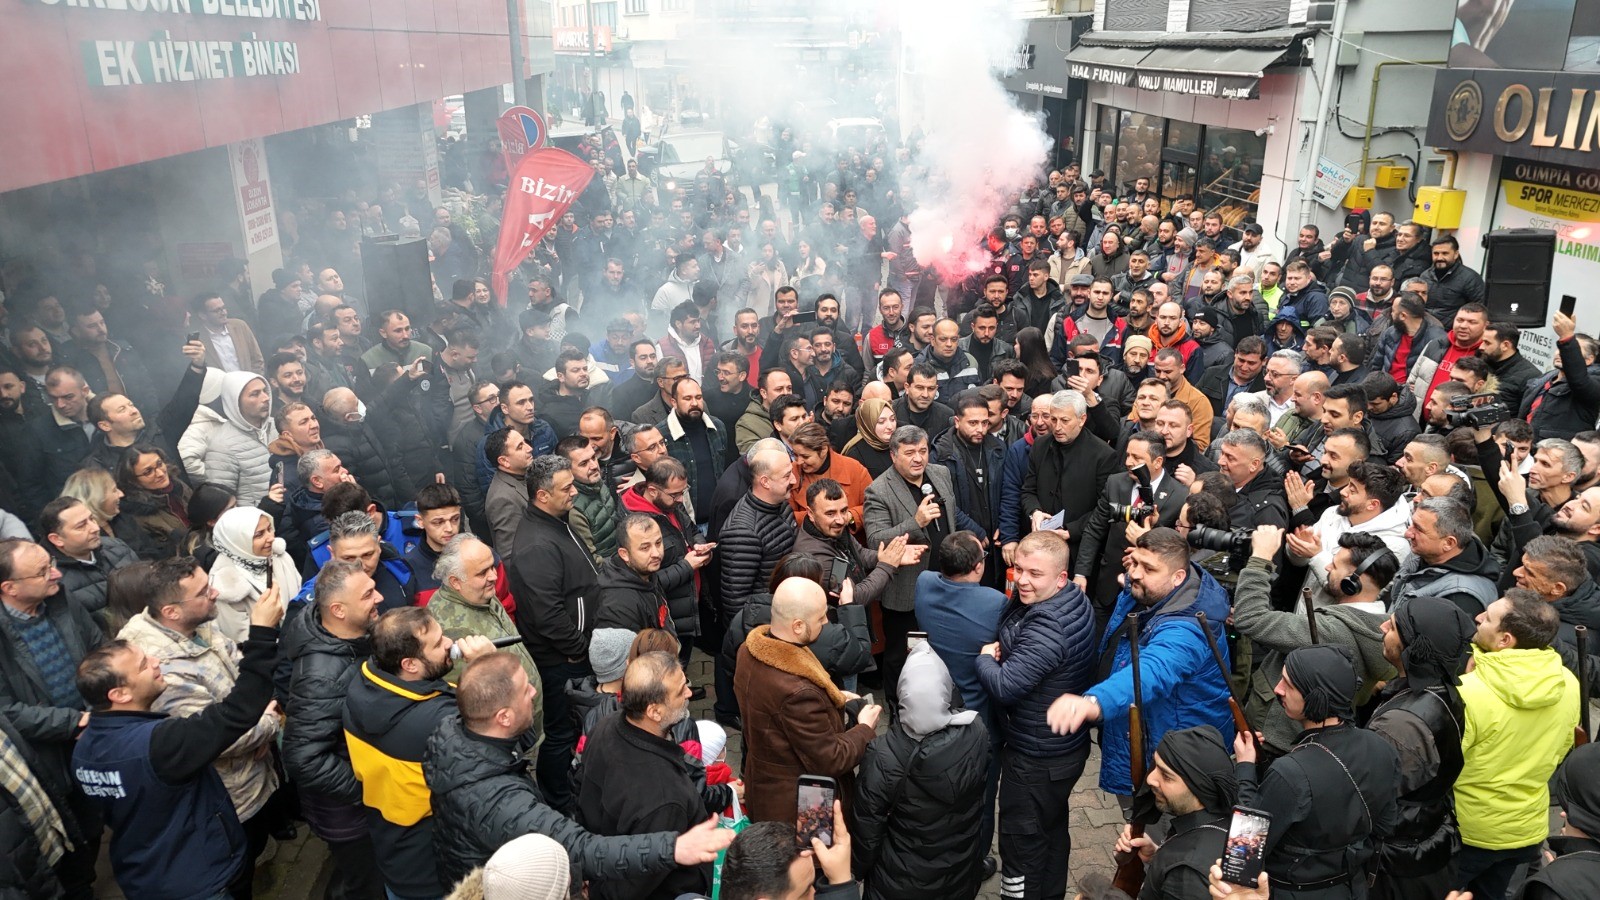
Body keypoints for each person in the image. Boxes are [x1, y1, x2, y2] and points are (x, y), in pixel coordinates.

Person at [423, 651, 729, 891]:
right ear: (502, 717)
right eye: (524, 690)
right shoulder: (498, 802)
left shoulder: (456, 732)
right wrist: (674, 847)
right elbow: (582, 850)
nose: (534, 691)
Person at [71, 578, 283, 900]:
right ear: (119, 693)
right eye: (144, 666)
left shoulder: (83, 751)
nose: (157, 662)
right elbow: (237, 713)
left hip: (146, 875)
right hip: (203, 880)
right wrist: (264, 633)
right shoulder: (159, 744)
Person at [974, 531, 1095, 900]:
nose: (1022, 580)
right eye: (1019, 569)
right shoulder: (1072, 598)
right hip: (1062, 750)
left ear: (1060, 577)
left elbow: (1006, 686)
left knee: (1020, 844)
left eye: (1035, 574)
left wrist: (983, 658)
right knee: (1051, 830)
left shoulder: (1047, 626)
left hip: (1036, 758)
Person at [344, 607, 496, 900]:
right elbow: (511, 733)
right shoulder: (437, 722)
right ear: (410, 665)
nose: (450, 644)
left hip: (394, 854)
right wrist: (487, 668)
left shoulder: (360, 686)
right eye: (438, 644)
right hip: (438, 869)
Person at [1231, 645, 1402, 900]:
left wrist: (1245, 767)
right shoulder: (1382, 748)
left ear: (1315, 697)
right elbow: (1386, 824)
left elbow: (1243, 852)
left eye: (1288, 684)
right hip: (1352, 888)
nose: (1277, 689)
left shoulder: (1290, 773)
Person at [1454, 589, 1580, 899]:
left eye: (1488, 617)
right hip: (1526, 828)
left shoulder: (1468, 691)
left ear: (1504, 640)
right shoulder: (1568, 683)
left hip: (1468, 831)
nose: (1478, 617)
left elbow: (1446, 765)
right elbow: (1563, 747)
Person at [0, 538, 105, 898]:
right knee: (65, 838)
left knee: (92, 826)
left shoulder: (60, 599)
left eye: (51, 563)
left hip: (90, 735)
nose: (56, 573)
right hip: (42, 757)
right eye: (42, 571)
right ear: (9, 588)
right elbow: (5, 710)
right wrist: (74, 722)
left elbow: (98, 651)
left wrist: (98, 711)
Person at [1234, 526, 1398, 755]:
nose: (1327, 567)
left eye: (1335, 564)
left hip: (1274, 742)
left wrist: (1260, 557)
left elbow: (1250, 618)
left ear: (1353, 582)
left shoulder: (1332, 631)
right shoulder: (1376, 627)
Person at [574, 651, 724, 899]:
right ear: (654, 711)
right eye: (680, 690)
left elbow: (583, 798)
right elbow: (636, 883)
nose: (689, 692)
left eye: (685, 682)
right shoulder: (665, 798)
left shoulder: (605, 726)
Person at [734, 576, 882, 824]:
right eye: (821, 618)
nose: (826, 623)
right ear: (798, 626)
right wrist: (865, 728)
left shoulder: (748, 652)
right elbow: (831, 759)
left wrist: (832, 698)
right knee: (813, 859)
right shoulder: (798, 693)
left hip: (763, 785)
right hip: (803, 805)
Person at [280, 559, 385, 900]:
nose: (380, 597)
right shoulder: (321, 674)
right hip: (349, 816)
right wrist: (367, 788)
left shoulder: (351, 640)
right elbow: (303, 757)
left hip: (359, 809)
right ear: (338, 610)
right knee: (365, 885)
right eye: (368, 594)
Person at [853, 644, 990, 900]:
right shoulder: (976, 731)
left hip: (898, 883)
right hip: (958, 873)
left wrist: (855, 871)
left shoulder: (883, 755)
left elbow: (867, 830)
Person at [1366, 596, 1476, 900]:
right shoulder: (1444, 689)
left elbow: (1371, 795)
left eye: (1395, 626)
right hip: (1428, 837)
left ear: (1413, 647)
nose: (1382, 626)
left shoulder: (1401, 725)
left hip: (1398, 862)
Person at [509, 454, 600, 813]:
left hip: (572, 653)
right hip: (561, 660)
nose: (575, 492)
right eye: (567, 488)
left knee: (572, 728)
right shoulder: (536, 545)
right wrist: (577, 648)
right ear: (542, 496)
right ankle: (558, 799)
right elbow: (546, 614)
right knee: (560, 732)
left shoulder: (555, 521)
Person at [864, 425, 979, 707]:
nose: (918, 458)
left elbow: (952, 518)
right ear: (893, 456)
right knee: (900, 653)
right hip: (907, 588)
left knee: (941, 645)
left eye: (923, 451)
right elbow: (876, 540)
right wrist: (915, 522)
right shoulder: (878, 490)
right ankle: (895, 704)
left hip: (947, 580)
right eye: (910, 452)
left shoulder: (940, 474)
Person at [1073, 429, 1189, 631]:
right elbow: (1094, 530)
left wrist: (1148, 536)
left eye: (1137, 457)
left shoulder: (1179, 496)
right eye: (1127, 455)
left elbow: (1177, 546)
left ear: (1158, 462)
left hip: (1147, 594)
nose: (1128, 462)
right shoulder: (1115, 483)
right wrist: (1081, 573)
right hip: (1108, 589)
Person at [1112, 726, 1239, 900]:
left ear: (1198, 789)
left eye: (1166, 776)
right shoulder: (1226, 825)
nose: (1150, 779)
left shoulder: (1187, 875)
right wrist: (1156, 856)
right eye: (1155, 766)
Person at [1016, 390, 1120, 565]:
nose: (1057, 427)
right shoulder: (1041, 445)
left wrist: (1072, 531)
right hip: (1040, 543)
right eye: (1054, 419)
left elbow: (1104, 507)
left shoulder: (1103, 455)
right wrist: (1035, 512)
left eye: (1065, 421)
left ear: (1082, 419)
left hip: (1078, 548)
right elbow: (1028, 490)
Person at [719, 439, 799, 617]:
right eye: (786, 476)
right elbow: (736, 602)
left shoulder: (781, 503)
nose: (793, 480)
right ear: (765, 482)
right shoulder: (742, 533)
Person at [595, 513, 712, 633]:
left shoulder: (645, 573)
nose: (656, 553)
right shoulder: (618, 607)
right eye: (645, 548)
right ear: (624, 554)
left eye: (658, 543)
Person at [208, 505, 301, 645]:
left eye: (270, 529)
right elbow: (241, 639)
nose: (270, 538)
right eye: (259, 534)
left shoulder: (280, 556)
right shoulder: (224, 585)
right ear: (237, 541)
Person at [39, 496, 140, 623]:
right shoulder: (55, 581)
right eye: (81, 526)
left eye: (92, 519)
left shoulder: (117, 547)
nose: (95, 528)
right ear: (57, 539)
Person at [661, 376, 728, 526]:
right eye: (687, 398)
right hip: (685, 524)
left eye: (698, 397)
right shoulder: (662, 435)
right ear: (674, 402)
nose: (694, 403)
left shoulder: (717, 427)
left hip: (720, 518)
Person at [557, 436, 620, 568]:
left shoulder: (597, 483)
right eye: (583, 463)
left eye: (593, 457)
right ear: (567, 470)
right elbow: (592, 560)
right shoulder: (574, 510)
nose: (593, 466)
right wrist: (624, 565)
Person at [483, 426, 533, 560]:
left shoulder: (524, 475)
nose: (529, 448)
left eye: (525, 442)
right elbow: (509, 555)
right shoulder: (502, 499)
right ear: (504, 461)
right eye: (520, 447)